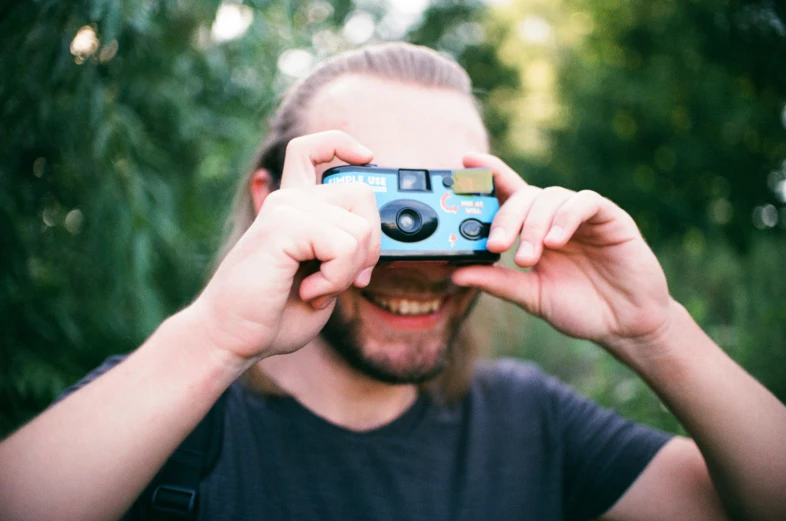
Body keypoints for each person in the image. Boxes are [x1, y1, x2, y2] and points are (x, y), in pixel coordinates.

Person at [0, 42, 784, 521]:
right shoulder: (159, 415)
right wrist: (213, 338)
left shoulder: (533, 426)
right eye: (375, 199)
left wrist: (654, 331)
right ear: (275, 204)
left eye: (454, 204)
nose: (417, 253)